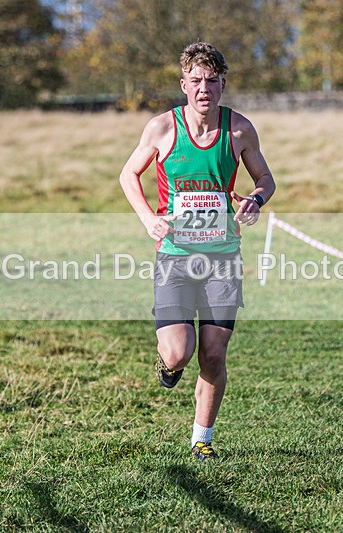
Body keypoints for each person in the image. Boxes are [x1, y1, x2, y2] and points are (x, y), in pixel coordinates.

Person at [119, 41, 276, 461]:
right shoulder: (162, 128)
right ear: (184, 84)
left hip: (222, 257)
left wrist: (254, 200)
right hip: (174, 254)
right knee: (179, 350)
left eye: (211, 80)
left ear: (223, 84)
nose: (203, 88)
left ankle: (202, 439)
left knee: (213, 352)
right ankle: (167, 365)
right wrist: (147, 218)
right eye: (196, 81)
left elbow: (265, 178)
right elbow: (128, 174)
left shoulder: (239, 129)